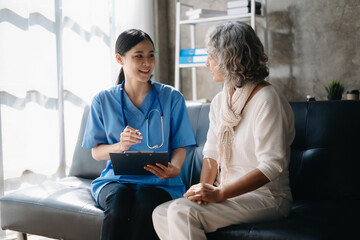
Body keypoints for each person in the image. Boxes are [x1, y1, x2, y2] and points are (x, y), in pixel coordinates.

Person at [152, 21, 295, 240]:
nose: (207, 63)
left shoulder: (267, 99)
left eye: (211, 55)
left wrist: (220, 193)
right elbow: (211, 155)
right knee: (161, 213)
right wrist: (203, 190)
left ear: (230, 58)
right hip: (228, 192)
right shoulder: (221, 101)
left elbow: (271, 165)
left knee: (181, 212)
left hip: (267, 197)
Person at [82, 29, 196, 240]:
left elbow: (181, 146)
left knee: (145, 202)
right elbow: (96, 153)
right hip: (115, 180)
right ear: (120, 59)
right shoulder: (102, 100)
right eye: (139, 56)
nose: (147, 63)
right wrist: (119, 146)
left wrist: (176, 168)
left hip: (160, 181)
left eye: (151, 55)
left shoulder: (172, 97)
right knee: (119, 201)